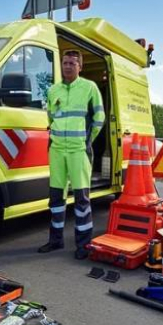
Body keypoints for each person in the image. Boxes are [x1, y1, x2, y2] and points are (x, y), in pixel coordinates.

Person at [38, 49, 105, 260]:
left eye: (72, 63)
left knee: (82, 199)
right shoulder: (53, 90)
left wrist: (87, 141)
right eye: (65, 63)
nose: (68, 66)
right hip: (57, 150)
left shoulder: (89, 87)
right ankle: (55, 241)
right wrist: (53, 140)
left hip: (79, 150)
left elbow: (99, 117)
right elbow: (50, 116)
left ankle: (83, 245)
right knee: (56, 198)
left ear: (80, 66)